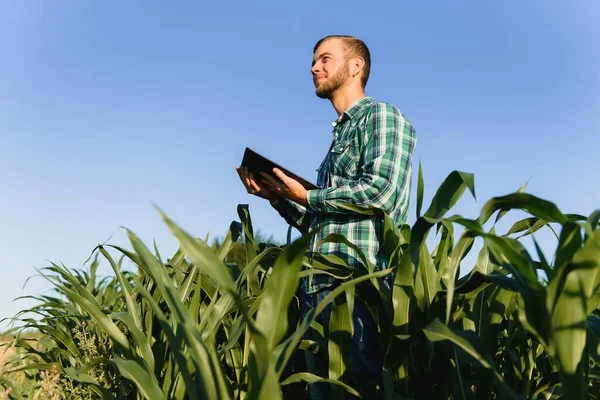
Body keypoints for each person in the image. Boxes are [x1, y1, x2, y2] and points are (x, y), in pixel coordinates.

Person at [236, 35, 417, 399]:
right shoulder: (336, 140)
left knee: (353, 391)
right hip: (314, 291)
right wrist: (278, 197)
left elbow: (381, 193)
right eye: (314, 61)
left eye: (324, 59)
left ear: (355, 66)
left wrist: (308, 195)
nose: (314, 67)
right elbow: (318, 223)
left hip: (354, 287)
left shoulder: (382, 116)